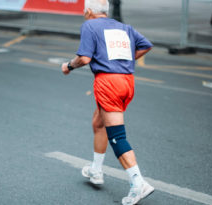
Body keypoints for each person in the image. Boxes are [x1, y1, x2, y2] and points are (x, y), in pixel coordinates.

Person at [61, 0, 153, 204]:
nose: (84, 14)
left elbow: (84, 59)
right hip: (126, 82)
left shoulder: (89, 25)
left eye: (85, 10)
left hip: (108, 83)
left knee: (117, 136)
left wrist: (68, 65)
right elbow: (146, 45)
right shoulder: (123, 27)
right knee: (98, 123)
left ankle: (139, 183)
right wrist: (124, 63)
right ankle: (96, 170)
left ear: (90, 11)